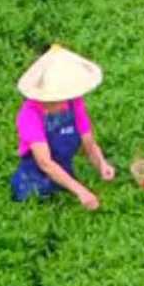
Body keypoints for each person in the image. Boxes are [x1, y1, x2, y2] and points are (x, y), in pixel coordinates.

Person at [11, 44, 115, 208]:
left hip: (65, 172)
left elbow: (88, 142)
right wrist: (82, 192)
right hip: (33, 178)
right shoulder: (29, 115)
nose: (61, 102)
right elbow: (45, 163)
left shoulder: (74, 103)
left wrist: (101, 164)